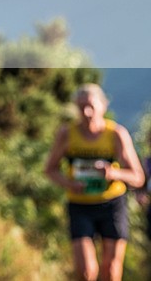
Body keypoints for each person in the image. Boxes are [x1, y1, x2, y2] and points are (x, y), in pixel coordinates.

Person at [44, 83, 145, 281]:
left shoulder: (116, 134)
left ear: (103, 106)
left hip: (112, 204)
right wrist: (69, 184)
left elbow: (138, 177)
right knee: (86, 272)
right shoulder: (66, 134)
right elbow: (50, 169)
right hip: (80, 205)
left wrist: (113, 174)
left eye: (91, 106)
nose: (87, 112)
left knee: (112, 270)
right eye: (81, 107)